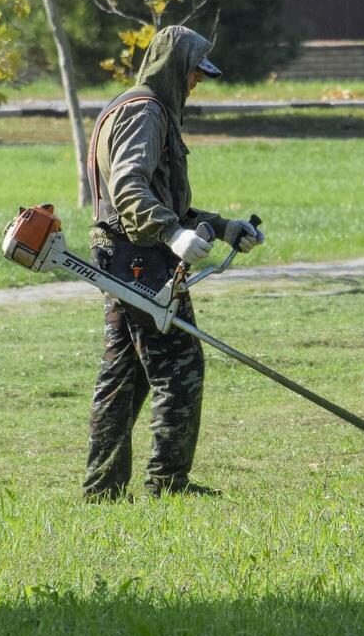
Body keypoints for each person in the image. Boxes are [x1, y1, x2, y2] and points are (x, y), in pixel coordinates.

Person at [82, 25, 264, 501]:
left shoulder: (137, 106)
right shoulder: (145, 113)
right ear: (175, 67)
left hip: (125, 252)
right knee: (179, 365)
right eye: (194, 74)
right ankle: (168, 483)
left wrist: (223, 228)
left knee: (123, 375)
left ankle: (102, 490)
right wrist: (171, 233)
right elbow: (128, 189)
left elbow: (162, 199)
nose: (196, 83)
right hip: (138, 255)